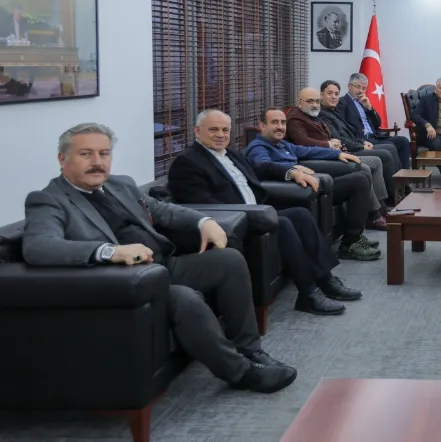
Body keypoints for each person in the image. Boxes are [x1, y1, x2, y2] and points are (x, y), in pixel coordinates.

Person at [22, 122, 297, 393]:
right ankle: (241, 373)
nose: (97, 162)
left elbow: (163, 210)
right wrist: (109, 251)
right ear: (62, 159)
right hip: (129, 282)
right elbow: (39, 246)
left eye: (104, 154)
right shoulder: (48, 200)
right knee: (183, 297)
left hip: (165, 265)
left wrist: (204, 221)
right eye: (86, 154)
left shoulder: (121, 184)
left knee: (229, 260)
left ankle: (250, 350)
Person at [167, 109, 362, 316]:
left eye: (225, 130)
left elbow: (259, 167)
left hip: (257, 210)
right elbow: (204, 204)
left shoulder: (229, 153)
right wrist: (250, 213)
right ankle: (308, 293)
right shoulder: (187, 162)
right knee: (283, 223)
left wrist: (291, 172)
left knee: (300, 215)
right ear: (198, 131)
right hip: (234, 222)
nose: (221, 135)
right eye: (213, 130)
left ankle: (326, 280)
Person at [244, 109, 382, 261]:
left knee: (360, 178)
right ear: (262, 126)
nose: (280, 127)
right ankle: (350, 244)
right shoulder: (258, 147)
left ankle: (354, 237)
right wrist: (291, 170)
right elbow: (263, 166)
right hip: (294, 194)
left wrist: (337, 154)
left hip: (313, 188)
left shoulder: (282, 144)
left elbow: (309, 151)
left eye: (283, 123)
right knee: (359, 180)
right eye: (274, 122)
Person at [286, 86, 391, 228]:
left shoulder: (312, 115)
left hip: (333, 153)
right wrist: (328, 144)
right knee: (364, 167)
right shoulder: (295, 119)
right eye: (310, 101)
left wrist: (335, 143)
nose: (315, 105)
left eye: (316, 101)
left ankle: (381, 207)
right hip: (318, 160)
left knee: (376, 161)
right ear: (300, 102)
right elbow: (302, 141)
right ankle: (373, 215)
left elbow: (330, 135)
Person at [318, 79, 401, 180]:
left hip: (362, 140)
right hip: (347, 150)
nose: (334, 97)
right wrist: (361, 145)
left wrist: (369, 108)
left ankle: (401, 183)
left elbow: (376, 124)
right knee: (386, 152)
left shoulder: (335, 110)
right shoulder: (324, 113)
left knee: (394, 145)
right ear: (321, 95)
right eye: (330, 93)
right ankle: (396, 187)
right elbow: (340, 139)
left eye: (336, 94)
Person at [340, 72, 412, 168]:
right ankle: (398, 175)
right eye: (357, 87)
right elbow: (343, 127)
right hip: (361, 140)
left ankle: (405, 173)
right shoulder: (342, 102)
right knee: (390, 146)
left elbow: (378, 123)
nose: (361, 91)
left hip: (375, 137)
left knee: (403, 141)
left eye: (364, 88)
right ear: (349, 86)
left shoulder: (363, 102)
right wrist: (359, 141)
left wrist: (369, 108)